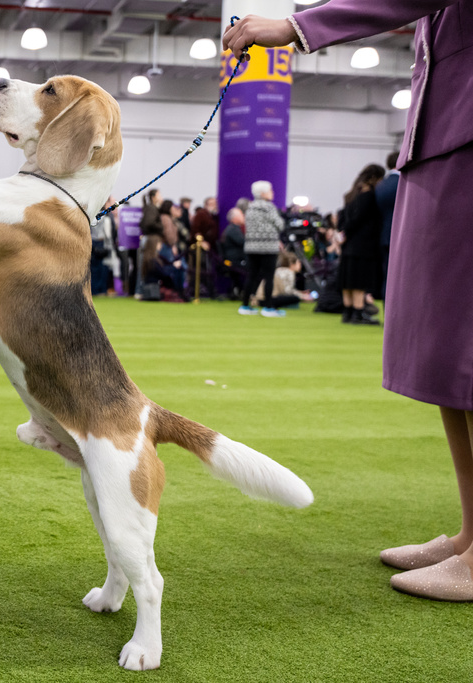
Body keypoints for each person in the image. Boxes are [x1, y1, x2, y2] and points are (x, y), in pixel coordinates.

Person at [224, 0, 473, 602]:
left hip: (463, 130)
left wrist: (296, 26)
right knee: (448, 356)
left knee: (467, 349)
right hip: (443, 128)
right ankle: (472, 533)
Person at [338, 163, 385, 325]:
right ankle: (358, 314)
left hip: (348, 245)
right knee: (359, 281)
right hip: (363, 245)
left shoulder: (351, 195)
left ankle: (348, 312)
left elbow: (344, 220)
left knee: (348, 281)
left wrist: (343, 234)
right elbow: (359, 221)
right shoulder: (368, 196)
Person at [238, 180, 284, 317]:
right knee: (268, 277)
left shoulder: (249, 208)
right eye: (270, 190)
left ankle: (245, 305)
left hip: (251, 246)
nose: (272, 193)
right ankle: (268, 307)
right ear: (263, 193)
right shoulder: (269, 207)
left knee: (251, 276)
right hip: (268, 247)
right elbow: (280, 225)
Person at [375, 151, 400, 300]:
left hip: (384, 235)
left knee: (388, 276)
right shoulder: (402, 183)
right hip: (398, 235)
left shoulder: (381, 184)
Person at [221, 206, 247, 297]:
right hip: (236, 260)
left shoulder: (233, 229)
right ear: (234, 218)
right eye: (241, 215)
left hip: (236, 259)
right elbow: (242, 243)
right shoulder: (233, 229)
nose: (244, 216)